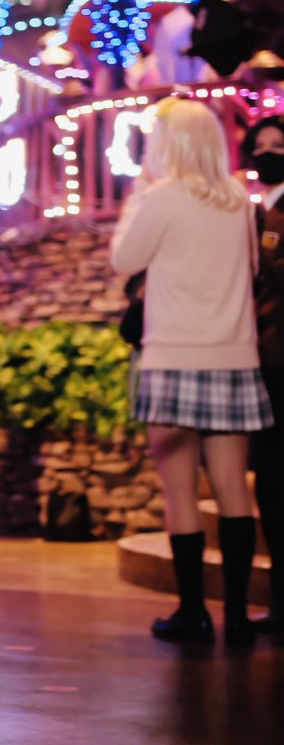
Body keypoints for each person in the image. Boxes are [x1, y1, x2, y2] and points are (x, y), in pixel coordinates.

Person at [111, 97, 272, 647]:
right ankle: (238, 616)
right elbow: (252, 270)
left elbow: (124, 260)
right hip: (233, 355)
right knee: (233, 487)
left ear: (167, 143)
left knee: (180, 490)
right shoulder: (240, 202)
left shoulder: (159, 198)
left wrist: (137, 197)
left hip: (174, 354)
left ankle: (193, 612)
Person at [243, 114, 284, 634]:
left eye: (280, 145)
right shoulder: (254, 212)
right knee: (270, 485)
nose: (270, 153)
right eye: (262, 145)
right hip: (263, 365)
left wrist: (261, 258)